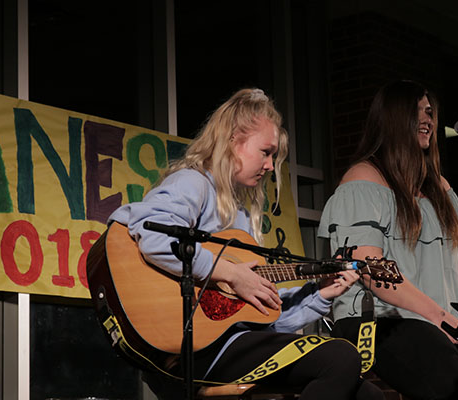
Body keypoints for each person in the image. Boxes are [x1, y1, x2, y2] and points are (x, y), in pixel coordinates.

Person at [108, 88, 385, 400]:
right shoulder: (193, 183)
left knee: (367, 394)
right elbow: (151, 232)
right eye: (266, 152)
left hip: (233, 345)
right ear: (232, 140)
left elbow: (265, 321)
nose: (270, 166)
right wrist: (229, 272)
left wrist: (320, 295)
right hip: (191, 348)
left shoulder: (240, 217)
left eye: (274, 157)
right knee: (340, 357)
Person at [318, 80, 458, 400]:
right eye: (416, 111)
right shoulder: (363, 179)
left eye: (430, 112)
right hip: (379, 320)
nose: (428, 120)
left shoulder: (441, 187)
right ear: (392, 118)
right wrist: (440, 318)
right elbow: (370, 269)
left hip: (444, 323)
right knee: (452, 385)